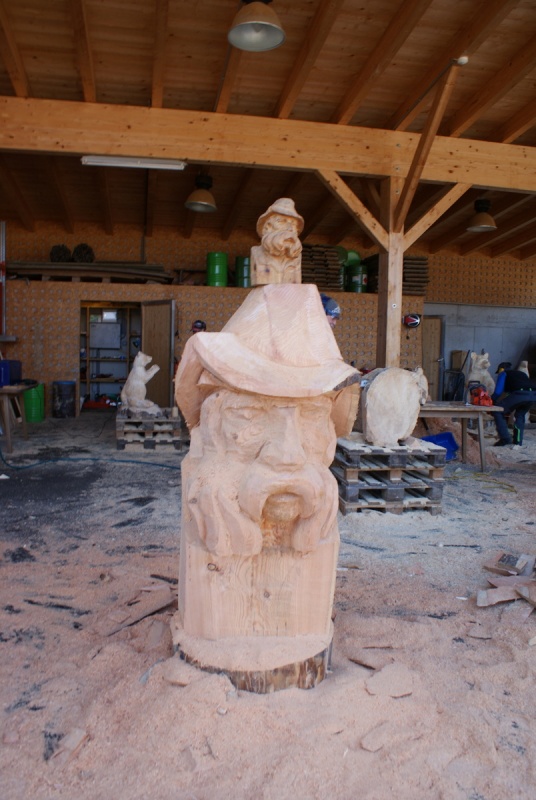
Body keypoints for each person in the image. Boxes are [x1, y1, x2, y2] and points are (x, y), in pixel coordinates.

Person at [491, 361, 536, 446]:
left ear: (501, 369)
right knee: (520, 416)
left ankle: (505, 438)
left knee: (498, 411)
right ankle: (518, 441)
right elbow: (510, 394)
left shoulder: (504, 373)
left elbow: (498, 392)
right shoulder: (521, 374)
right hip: (533, 395)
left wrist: (492, 400)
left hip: (520, 394)